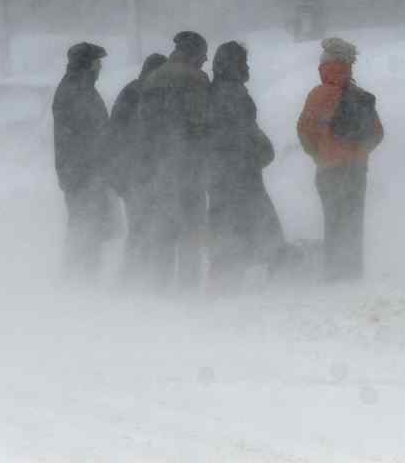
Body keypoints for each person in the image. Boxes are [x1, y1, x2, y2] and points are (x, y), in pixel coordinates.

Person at [297, 37, 384, 282]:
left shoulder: (318, 95)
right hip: (356, 171)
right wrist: (359, 152)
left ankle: (335, 277)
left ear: (324, 67)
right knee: (353, 223)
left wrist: (320, 154)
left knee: (334, 222)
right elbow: (377, 134)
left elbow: (304, 132)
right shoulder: (360, 96)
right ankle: (353, 276)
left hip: (329, 170)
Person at [206, 42, 285, 293]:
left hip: (224, 173)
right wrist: (260, 149)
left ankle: (224, 285)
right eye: (244, 62)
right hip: (240, 172)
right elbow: (242, 131)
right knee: (257, 226)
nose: (247, 67)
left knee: (230, 230)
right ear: (235, 64)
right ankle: (280, 282)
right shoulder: (231, 93)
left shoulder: (217, 90)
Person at [138, 31, 210, 290]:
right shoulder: (195, 79)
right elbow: (202, 123)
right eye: (203, 55)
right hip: (188, 165)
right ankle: (188, 287)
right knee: (191, 228)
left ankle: (159, 286)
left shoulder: (153, 78)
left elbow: (144, 125)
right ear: (193, 53)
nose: (205, 60)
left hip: (160, 165)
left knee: (164, 228)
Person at [104, 53, 167, 277]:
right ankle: (135, 277)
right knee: (144, 229)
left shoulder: (129, 91)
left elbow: (114, 136)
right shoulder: (148, 95)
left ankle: (132, 276)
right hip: (141, 175)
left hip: (130, 175)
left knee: (139, 228)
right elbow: (148, 139)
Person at [52, 42, 111, 277]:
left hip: (81, 172)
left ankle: (81, 279)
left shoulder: (79, 87)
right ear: (88, 64)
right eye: (98, 62)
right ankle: (79, 281)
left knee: (86, 228)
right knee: (85, 228)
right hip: (83, 173)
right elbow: (89, 134)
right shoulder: (77, 91)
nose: (100, 67)